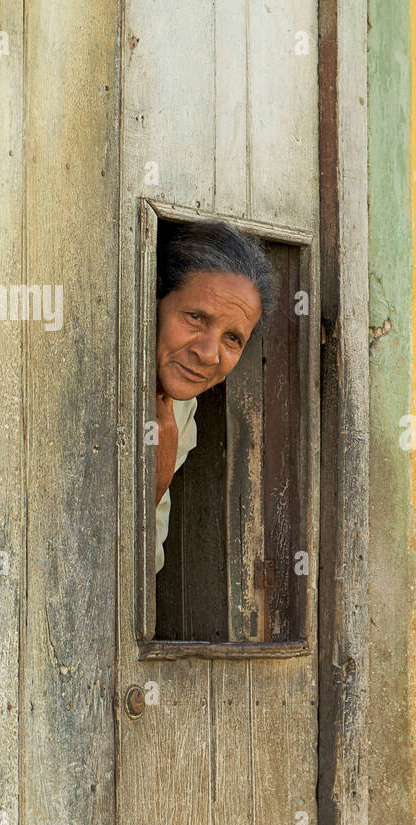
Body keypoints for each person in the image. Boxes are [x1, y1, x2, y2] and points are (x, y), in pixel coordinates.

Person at [154, 220, 274, 574]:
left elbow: (145, 566)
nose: (209, 353)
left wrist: (155, 484)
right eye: (195, 317)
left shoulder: (181, 413)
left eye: (232, 339)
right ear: (155, 296)